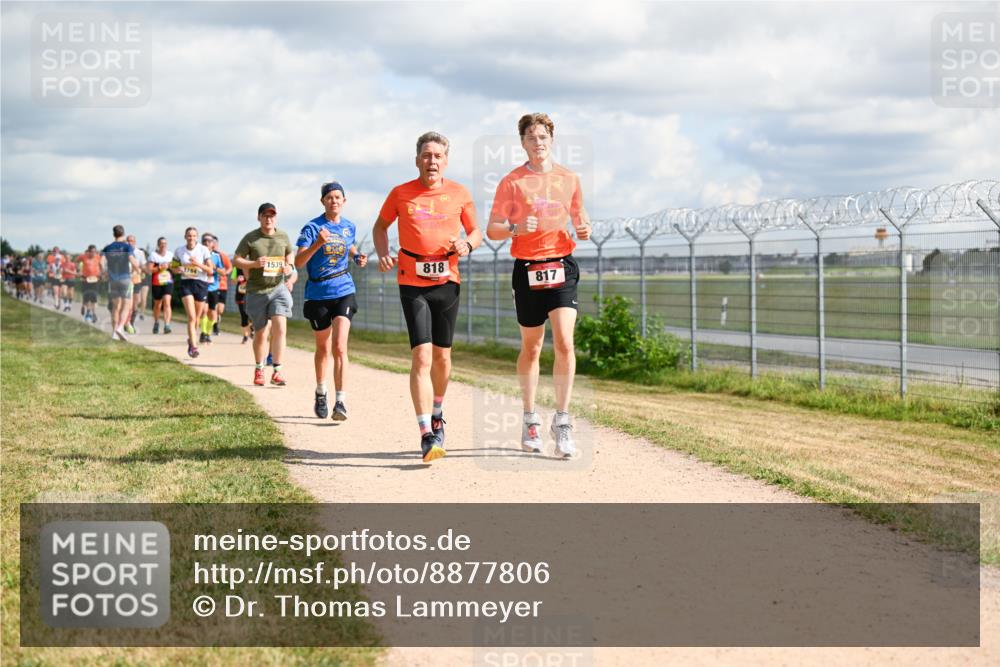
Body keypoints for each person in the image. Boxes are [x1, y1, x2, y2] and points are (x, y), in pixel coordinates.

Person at [486, 112, 592, 458]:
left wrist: (584, 228)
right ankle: (530, 418)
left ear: (552, 140)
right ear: (523, 143)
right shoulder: (512, 182)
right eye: (531, 137)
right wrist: (517, 228)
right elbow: (493, 229)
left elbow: (580, 216)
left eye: (543, 137)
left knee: (564, 342)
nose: (538, 143)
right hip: (528, 269)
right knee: (532, 348)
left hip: (562, 265)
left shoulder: (569, 178)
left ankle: (562, 422)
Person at [373, 131, 482, 463]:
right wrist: (382, 253)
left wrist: (468, 244)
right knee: (421, 357)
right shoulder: (400, 193)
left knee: (442, 358)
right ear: (417, 159)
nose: (431, 161)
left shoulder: (460, 193)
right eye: (426, 155)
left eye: (437, 155)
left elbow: (475, 231)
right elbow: (380, 227)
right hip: (411, 279)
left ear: (446, 161)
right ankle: (426, 433)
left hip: (447, 280)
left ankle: (437, 412)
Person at [295, 181, 368, 420]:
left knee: (339, 346)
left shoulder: (349, 227)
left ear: (344, 201)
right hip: (318, 294)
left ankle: (340, 402)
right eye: (329, 197)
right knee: (323, 348)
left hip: (344, 289)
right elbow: (298, 262)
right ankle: (320, 391)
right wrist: (318, 244)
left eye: (338, 197)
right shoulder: (312, 227)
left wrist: (357, 256)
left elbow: (349, 248)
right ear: (323, 202)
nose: (334, 201)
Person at [234, 203, 296, 387]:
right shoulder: (251, 238)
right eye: (265, 216)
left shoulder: (283, 235)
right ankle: (259, 368)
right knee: (261, 333)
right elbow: (236, 260)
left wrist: (289, 266)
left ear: (275, 217)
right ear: (259, 217)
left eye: (272, 216)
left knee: (280, 327)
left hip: (278, 288)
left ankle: (277, 371)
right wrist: (254, 264)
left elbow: (290, 254)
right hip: (257, 291)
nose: (269, 219)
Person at [173, 226, 215, 357]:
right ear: (185, 237)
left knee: (196, 318)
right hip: (186, 284)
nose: (191, 238)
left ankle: (191, 341)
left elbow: (210, 270)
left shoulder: (203, 250)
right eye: (189, 235)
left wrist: (197, 264)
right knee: (191, 317)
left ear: (197, 237)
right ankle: (194, 347)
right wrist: (178, 269)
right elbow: (173, 268)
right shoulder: (179, 250)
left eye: (193, 236)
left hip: (201, 284)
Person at [102, 226, 140, 341]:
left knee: (115, 306)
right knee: (127, 305)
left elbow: (101, 261)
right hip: (125, 279)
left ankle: (114, 332)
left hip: (113, 280)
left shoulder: (108, 247)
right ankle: (120, 328)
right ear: (123, 234)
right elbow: (133, 261)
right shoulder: (126, 246)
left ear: (114, 234)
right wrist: (136, 269)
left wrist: (104, 272)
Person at [148, 237, 174, 334]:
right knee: (157, 305)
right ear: (158, 245)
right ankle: (156, 322)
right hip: (156, 283)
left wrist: (172, 266)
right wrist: (159, 267)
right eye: (161, 243)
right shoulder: (153, 255)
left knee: (167, 302)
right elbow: (150, 269)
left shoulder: (170, 255)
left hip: (168, 282)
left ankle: (167, 325)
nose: (163, 245)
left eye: (165, 243)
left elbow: (175, 267)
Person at [125, 234, 148, 333]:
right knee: (127, 305)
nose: (130, 243)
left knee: (135, 304)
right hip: (125, 281)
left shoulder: (140, 253)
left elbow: (143, 265)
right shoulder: (123, 252)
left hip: (137, 280)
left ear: (135, 242)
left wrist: (143, 270)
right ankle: (126, 324)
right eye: (128, 241)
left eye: (132, 241)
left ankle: (131, 322)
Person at [79, 245, 102, 323]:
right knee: (87, 297)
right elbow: (76, 262)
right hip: (86, 280)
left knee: (94, 298)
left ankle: (94, 314)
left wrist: (101, 274)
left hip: (95, 280)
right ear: (88, 252)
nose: (93, 253)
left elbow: (101, 266)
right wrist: (80, 272)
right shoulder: (83, 257)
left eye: (94, 252)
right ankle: (88, 312)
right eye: (92, 252)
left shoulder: (98, 257)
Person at [233, 267, 252, 343]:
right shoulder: (236, 269)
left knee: (251, 314)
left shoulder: (252, 266)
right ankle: (245, 336)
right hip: (240, 295)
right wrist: (237, 280)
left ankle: (252, 328)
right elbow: (233, 281)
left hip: (251, 294)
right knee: (243, 315)